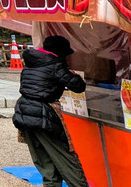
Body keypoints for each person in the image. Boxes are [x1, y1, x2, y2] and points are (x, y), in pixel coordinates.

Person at [12, 35, 90, 187]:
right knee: (66, 158)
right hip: (43, 113)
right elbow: (78, 86)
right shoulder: (56, 65)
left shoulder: (32, 61)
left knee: (44, 162)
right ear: (60, 52)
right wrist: (73, 74)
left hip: (23, 112)